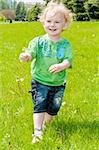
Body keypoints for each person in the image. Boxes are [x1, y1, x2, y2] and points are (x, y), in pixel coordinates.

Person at [19, 1, 73, 144]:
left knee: (53, 108)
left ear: (64, 25)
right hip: (40, 80)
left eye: (57, 22)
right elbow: (31, 53)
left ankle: (45, 125)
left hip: (58, 83)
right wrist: (27, 56)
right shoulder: (38, 42)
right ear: (43, 22)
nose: (52, 25)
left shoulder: (65, 44)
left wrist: (62, 65)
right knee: (40, 104)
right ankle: (37, 132)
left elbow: (68, 60)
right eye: (49, 21)